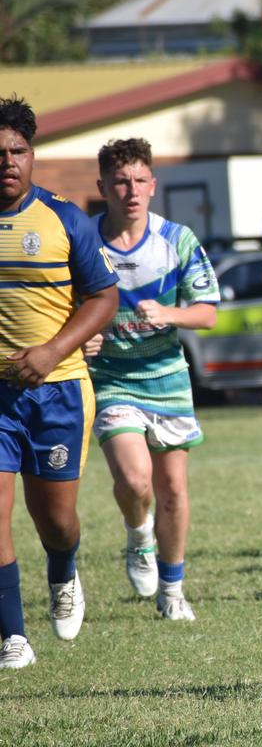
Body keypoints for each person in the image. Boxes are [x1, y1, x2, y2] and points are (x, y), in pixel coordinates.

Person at [0, 96, 119, 669]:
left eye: (18, 150)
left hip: (59, 391)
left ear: (32, 154)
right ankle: (12, 637)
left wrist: (53, 350)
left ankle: (63, 568)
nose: (8, 161)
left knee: (55, 519)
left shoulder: (64, 218)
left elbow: (104, 297)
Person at [85, 138, 220, 622]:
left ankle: (172, 589)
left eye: (140, 180)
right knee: (134, 477)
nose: (131, 191)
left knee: (173, 492)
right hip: (111, 380)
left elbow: (207, 314)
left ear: (153, 186)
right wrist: (78, 338)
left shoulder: (178, 240)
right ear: (102, 186)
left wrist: (170, 314)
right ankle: (137, 533)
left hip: (167, 379)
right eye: (120, 181)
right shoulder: (84, 240)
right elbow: (59, 303)